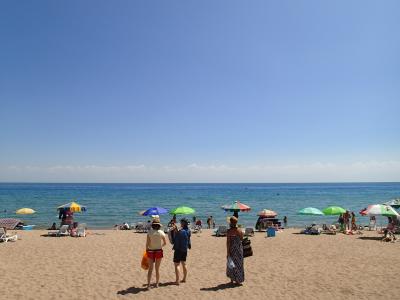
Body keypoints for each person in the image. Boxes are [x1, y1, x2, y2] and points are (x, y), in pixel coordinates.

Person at [146, 218, 167, 289]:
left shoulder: (149, 232)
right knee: (157, 269)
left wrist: (146, 251)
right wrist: (160, 246)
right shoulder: (161, 232)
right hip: (158, 251)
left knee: (150, 269)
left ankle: (148, 285)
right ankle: (157, 284)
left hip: (150, 251)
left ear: (152, 225)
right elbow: (165, 243)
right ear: (159, 225)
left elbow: (147, 244)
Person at [172, 218, 191, 284]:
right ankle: (184, 279)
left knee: (177, 265)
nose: (180, 223)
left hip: (178, 249)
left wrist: (175, 230)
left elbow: (175, 238)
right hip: (184, 249)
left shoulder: (180, 231)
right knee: (184, 263)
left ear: (183, 223)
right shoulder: (188, 230)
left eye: (181, 222)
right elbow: (188, 239)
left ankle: (177, 280)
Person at [226, 216, 244, 285]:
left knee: (231, 264)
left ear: (230, 223)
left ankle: (232, 280)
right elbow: (242, 239)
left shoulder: (229, 231)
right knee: (239, 264)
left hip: (232, 249)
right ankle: (238, 280)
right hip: (239, 249)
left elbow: (228, 242)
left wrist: (227, 252)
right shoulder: (239, 230)